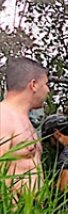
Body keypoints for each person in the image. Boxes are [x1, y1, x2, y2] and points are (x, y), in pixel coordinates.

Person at [0, 56, 50, 196]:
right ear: (33, 84)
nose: (47, 90)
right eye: (46, 84)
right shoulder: (3, 117)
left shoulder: (25, 120)